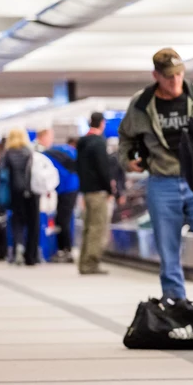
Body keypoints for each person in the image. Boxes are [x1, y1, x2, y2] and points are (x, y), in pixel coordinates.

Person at [118, 48, 193, 304]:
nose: (175, 80)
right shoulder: (141, 105)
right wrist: (127, 161)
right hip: (162, 182)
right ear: (156, 75)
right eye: (168, 76)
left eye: (178, 74)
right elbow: (125, 137)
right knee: (168, 252)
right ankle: (176, 303)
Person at [76, 113, 113, 275]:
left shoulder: (82, 142)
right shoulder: (98, 143)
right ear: (102, 123)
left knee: (88, 227)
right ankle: (91, 263)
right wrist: (110, 189)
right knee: (97, 227)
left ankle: (83, 262)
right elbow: (103, 169)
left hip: (85, 191)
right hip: (98, 191)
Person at [0, 128, 39, 266]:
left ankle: (17, 248)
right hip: (31, 191)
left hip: (15, 191)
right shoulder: (29, 151)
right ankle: (31, 255)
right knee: (32, 223)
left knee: (17, 221)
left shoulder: (7, 153)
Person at [43, 136, 80, 263]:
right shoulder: (69, 152)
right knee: (64, 219)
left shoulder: (48, 155)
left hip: (65, 189)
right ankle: (65, 249)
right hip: (71, 188)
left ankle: (65, 250)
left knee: (62, 220)